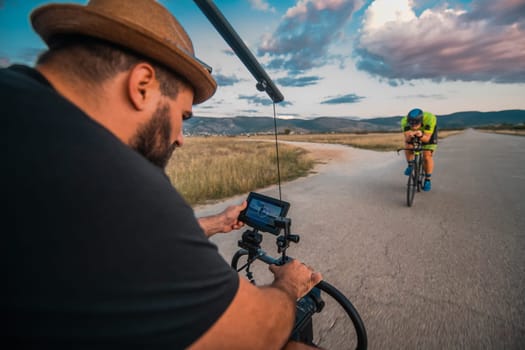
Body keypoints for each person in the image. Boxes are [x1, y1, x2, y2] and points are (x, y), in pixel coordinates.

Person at [2, 0, 322, 348]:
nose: (181, 139)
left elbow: (116, 244)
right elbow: (255, 334)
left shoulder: (25, 111)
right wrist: (289, 285)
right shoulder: (109, 178)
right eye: (183, 117)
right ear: (141, 85)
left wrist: (213, 223)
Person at [401, 108, 438, 191]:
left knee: (427, 155)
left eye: (416, 124)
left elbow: (427, 139)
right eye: (411, 124)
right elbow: (407, 139)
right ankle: (410, 165)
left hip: (427, 134)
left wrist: (421, 136)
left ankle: (427, 179)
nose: (413, 126)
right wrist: (410, 136)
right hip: (414, 135)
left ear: (421, 120)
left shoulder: (430, 119)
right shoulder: (404, 121)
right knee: (408, 146)